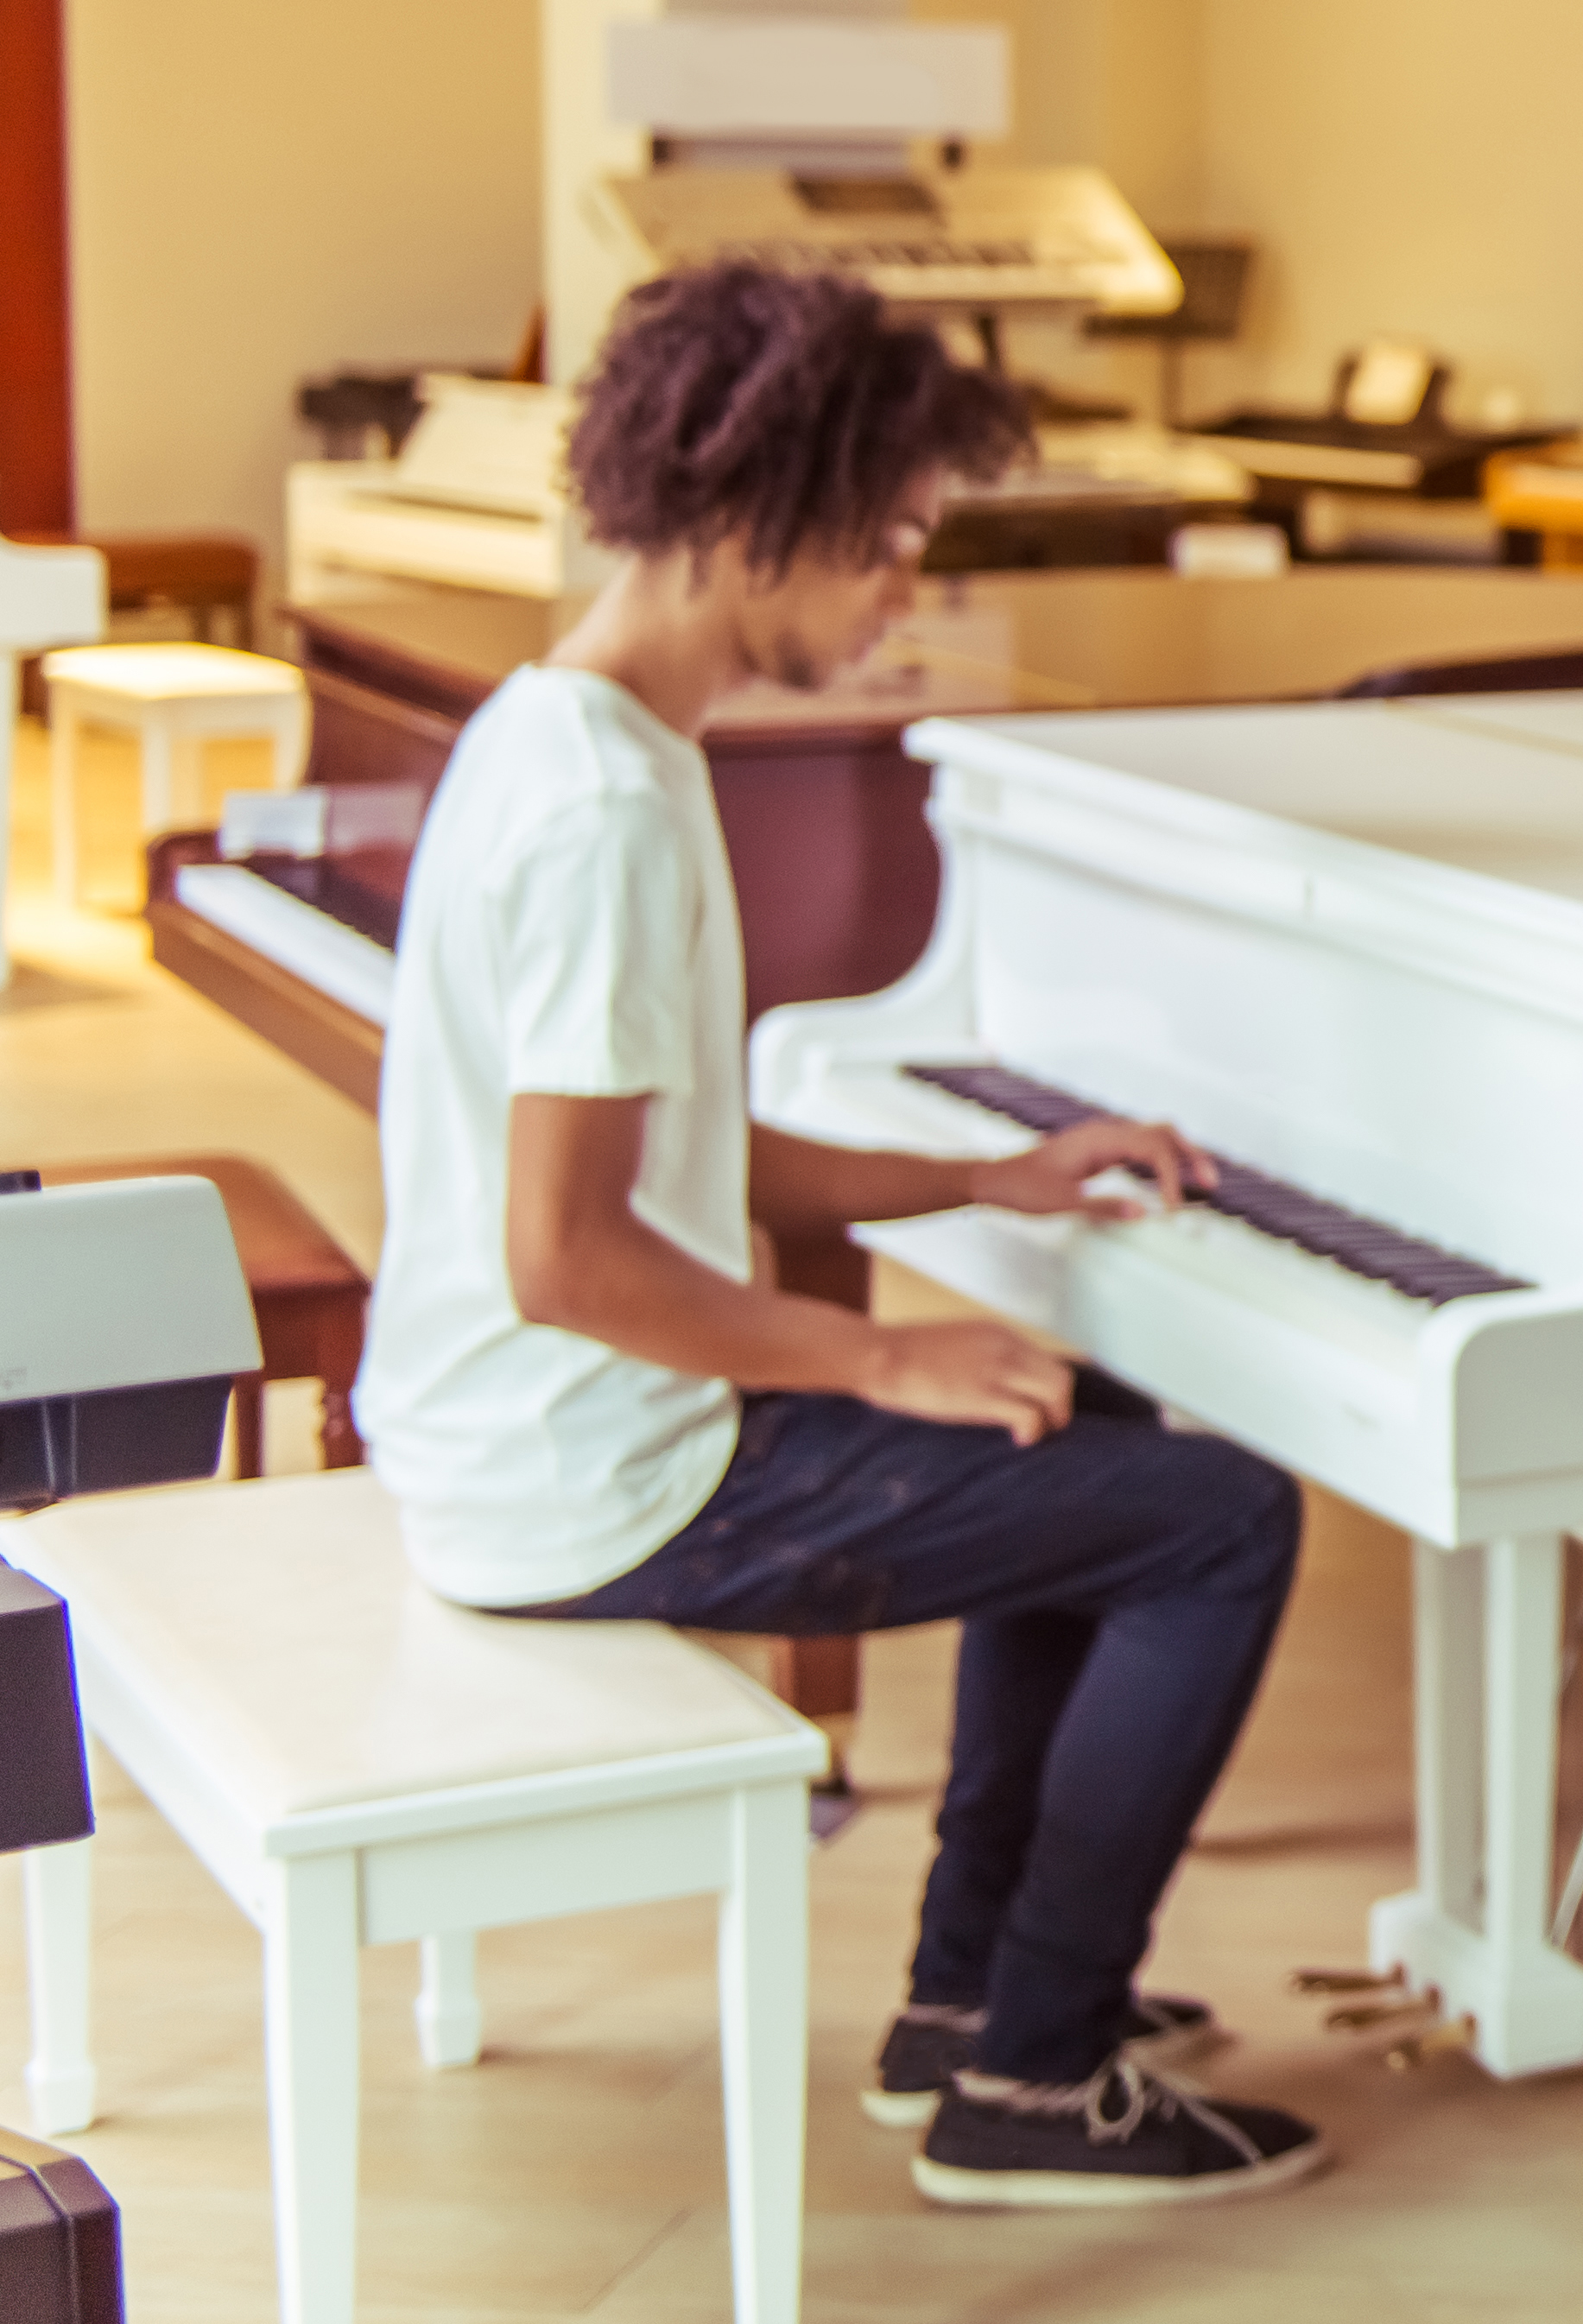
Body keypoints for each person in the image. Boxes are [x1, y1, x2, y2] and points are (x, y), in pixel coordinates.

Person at [356, 260, 1333, 2212]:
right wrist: (888, 1355)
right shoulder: (612, 818)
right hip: (600, 1477)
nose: (903, 596)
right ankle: (1036, 2079)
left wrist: (989, 1180)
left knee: (1078, 1419)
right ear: (752, 517)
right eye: (884, 549)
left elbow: (686, 1183)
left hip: (523, 1431)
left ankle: (969, 2005)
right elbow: (572, 1261)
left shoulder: (558, 737)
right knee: (1225, 1522)